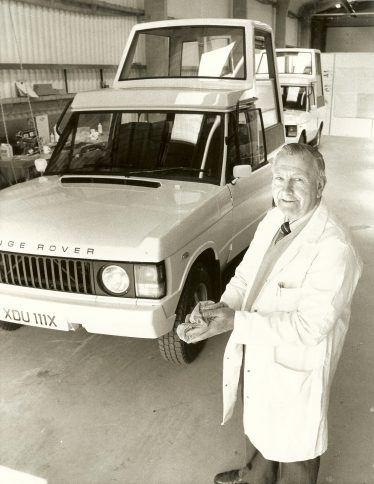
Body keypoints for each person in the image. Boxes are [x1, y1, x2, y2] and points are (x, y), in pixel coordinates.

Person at [178, 143, 363, 484]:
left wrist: (235, 322)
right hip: (260, 350)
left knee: (295, 450)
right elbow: (246, 277)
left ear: (320, 185)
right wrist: (215, 311)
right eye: (280, 178)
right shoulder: (274, 219)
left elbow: (310, 328)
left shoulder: (334, 248)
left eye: (298, 180)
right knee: (258, 425)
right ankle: (253, 478)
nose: (286, 190)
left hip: (298, 370)